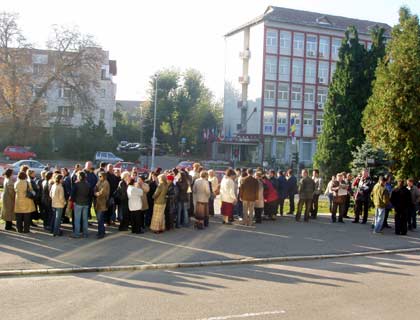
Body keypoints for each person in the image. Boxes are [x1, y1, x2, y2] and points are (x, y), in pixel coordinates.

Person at [70, 171, 91, 238]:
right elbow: (90, 194)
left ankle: (77, 233)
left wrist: (73, 201)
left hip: (78, 203)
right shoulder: (88, 184)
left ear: (79, 177)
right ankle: (85, 233)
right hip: (86, 203)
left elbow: (72, 194)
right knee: (85, 220)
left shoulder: (76, 184)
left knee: (77, 220)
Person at [94, 172, 110, 238]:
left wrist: (96, 193)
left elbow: (102, 193)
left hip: (103, 203)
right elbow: (95, 187)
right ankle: (101, 231)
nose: (99, 177)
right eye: (99, 176)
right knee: (100, 219)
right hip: (99, 203)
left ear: (104, 176)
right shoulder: (100, 181)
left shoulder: (105, 183)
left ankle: (101, 233)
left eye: (100, 176)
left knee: (100, 219)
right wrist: (95, 191)